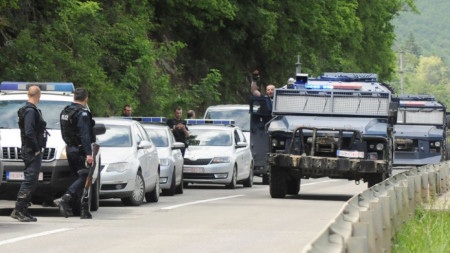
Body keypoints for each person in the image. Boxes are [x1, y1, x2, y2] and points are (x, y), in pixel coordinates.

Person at [55, 87, 96, 219]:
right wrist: (89, 154)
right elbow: (85, 135)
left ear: (74, 98)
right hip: (80, 150)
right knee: (84, 176)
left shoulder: (65, 112)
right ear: (86, 98)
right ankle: (66, 198)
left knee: (77, 178)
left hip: (70, 148)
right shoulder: (82, 114)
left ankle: (81, 210)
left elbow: (64, 132)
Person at [11, 86, 47, 222]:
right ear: (39, 95)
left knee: (32, 181)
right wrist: (36, 148)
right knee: (30, 180)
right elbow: (29, 131)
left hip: (29, 149)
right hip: (31, 150)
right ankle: (18, 210)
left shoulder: (28, 110)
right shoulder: (31, 111)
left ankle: (24, 209)